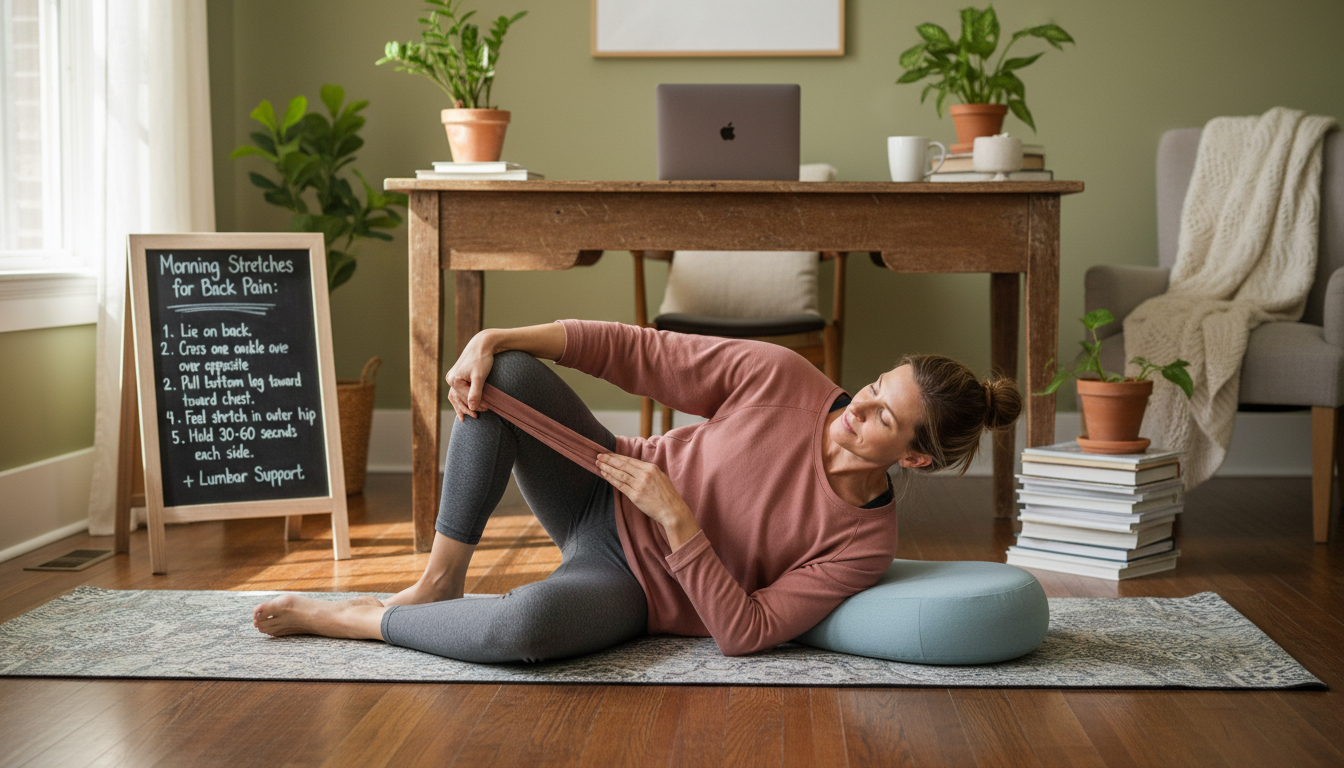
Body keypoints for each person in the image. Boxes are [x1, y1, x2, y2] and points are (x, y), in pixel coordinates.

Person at [253, 320, 1021, 661]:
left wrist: (678, 522)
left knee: (524, 630)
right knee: (507, 379)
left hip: (637, 588)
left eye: (884, 416)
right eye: (874, 384)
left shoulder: (863, 541)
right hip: (599, 481)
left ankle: (355, 621)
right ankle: (436, 581)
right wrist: (501, 338)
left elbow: (747, 632)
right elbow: (641, 352)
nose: (858, 404)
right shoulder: (784, 378)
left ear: (913, 460)